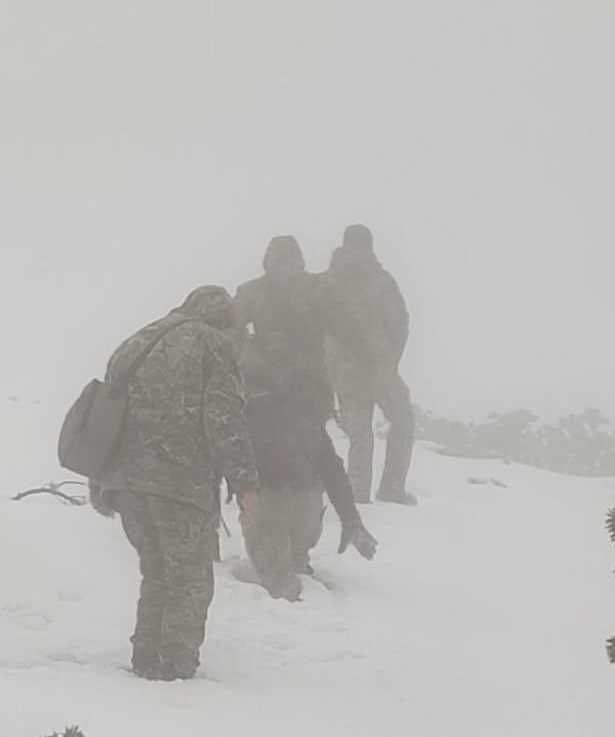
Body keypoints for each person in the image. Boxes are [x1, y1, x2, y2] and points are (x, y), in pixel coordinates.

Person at [90, 286, 258, 680]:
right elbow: (224, 417)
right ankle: (175, 668)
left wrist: (99, 479)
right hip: (179, 482)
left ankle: (146, 657)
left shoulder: (138, 339)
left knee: (157, 571)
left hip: (126, 481)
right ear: (222, 319)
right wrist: (244, 479)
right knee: (189, 579)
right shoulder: (213, 344)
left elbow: (105, 413)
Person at [234, 237, 376, 600]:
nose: (285, 271)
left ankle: (294, 556)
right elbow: (349, 330)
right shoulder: (312, 290)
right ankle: (287, 561)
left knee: (306, 469)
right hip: (294, 398)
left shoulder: (290, 291)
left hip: (294, 398)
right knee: (299, 471)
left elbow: (348, 330)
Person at [324, 223, 415, 504]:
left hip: (342, 370)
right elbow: (400, 325)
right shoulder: (381, 281)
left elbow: (316, 326)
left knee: (359, 432)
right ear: (370, 246)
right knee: (403, 420)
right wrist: (390, 361)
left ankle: (357, 495)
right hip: (378, 367)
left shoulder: (327, 282)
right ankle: (391, 488)